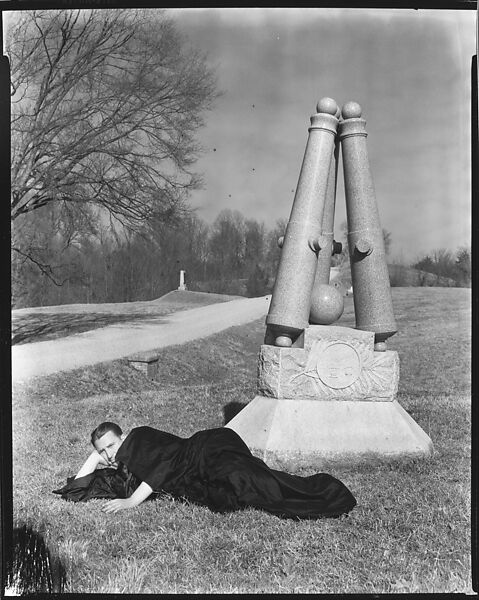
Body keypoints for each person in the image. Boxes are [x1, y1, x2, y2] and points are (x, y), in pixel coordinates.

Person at [53, 422, 357, 520]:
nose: (109, 452)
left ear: (122, 435)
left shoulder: (138, 439)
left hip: (207, 452)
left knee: (260, 485)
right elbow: (77, 489)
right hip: (201, 475)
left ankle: (324, 493)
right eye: (102, 450)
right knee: (237, 496)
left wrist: (132, 502)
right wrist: (94, 457)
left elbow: (161, 468)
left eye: (110, 445)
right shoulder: (123, 471)